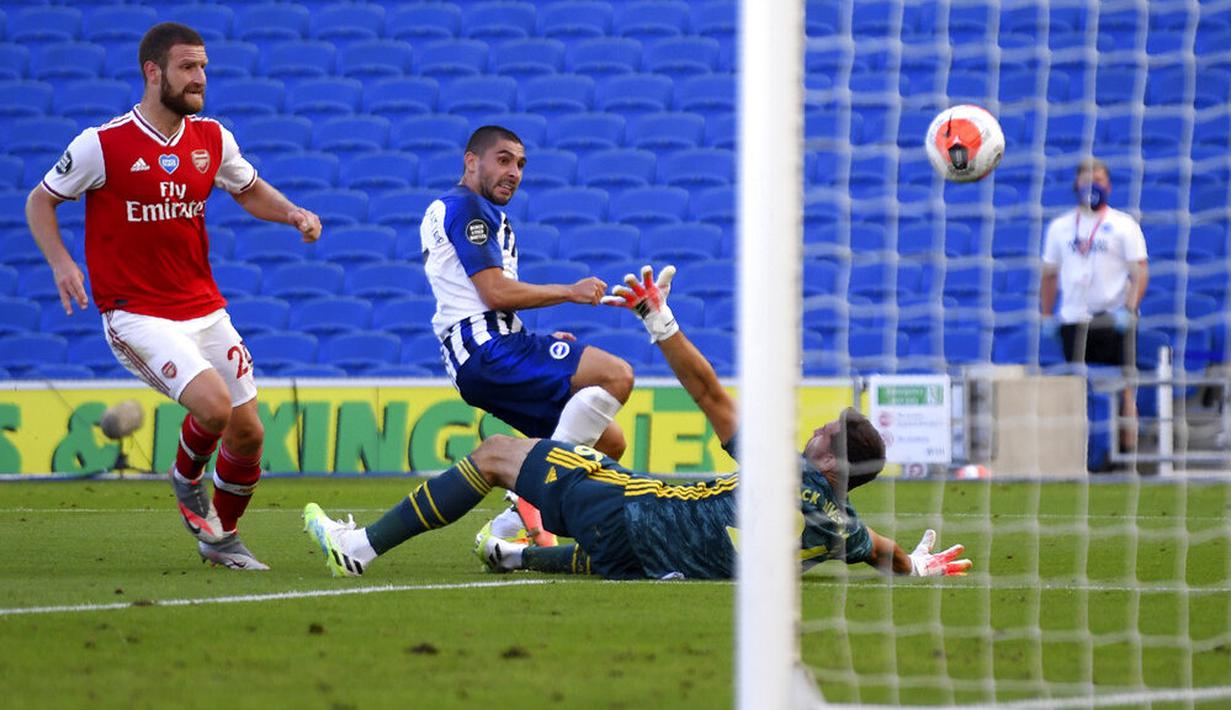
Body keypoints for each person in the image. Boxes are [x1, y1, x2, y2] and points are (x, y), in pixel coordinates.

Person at [302, 265, 971, 580]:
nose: (808, 436)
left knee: (499, 451)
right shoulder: (840, 531)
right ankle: (511, 550)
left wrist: (659, 321)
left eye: (820, 435)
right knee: (598, 545)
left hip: (626, 512)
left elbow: (710, 394)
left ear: (824, 461)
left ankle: (358, 551)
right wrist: (913, 563)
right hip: (642, 565)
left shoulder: (784, 473)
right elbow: (879, 550)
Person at [25, 22, 323, 570]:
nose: (200, 78)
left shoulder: (212, 138)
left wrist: (292, 213)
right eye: (189, 67)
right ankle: (187, 479)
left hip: (204, 307)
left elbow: (249, 188)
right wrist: (62, 262)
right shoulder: (102, 144)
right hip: (137, 313)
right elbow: (39, 201)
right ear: (153, 71)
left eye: (204, 67)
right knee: (211, 406)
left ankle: (221, 540)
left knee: (250, 432)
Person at [418, 125, 635, 544]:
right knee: (616, 375)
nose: (514, 171)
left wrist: (536, 336)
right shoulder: (468, 208)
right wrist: (569, 291)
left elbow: (481, 296)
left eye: (520, 164)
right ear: (470, 161)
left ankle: (514, 530)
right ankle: (523, 508)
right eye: (503, 160)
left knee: (608, 441)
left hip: (486, 350)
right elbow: (495, 292)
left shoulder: (458, 208)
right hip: (488, 350)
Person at [1040, 157, 1149, 461]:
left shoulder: (1123, 225)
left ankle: (1129, 455)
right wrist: (1047, 315)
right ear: (1076, 184)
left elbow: (1139, 271)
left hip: (1113, 319)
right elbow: (1049, 274)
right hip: (1073, 319)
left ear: (1109, 185)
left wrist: (1129, 309)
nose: (1093, 184)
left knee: (1126, 387)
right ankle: (1079, 457)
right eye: (1087, 178)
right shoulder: (1060, 227)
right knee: (1076, 391)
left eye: (1099, 179)